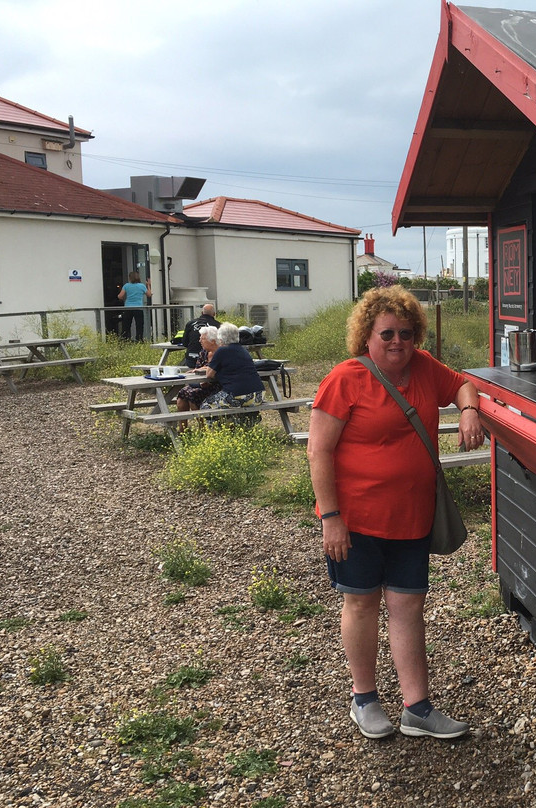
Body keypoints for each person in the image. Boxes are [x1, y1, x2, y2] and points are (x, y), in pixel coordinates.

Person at [307, 286, 482, 740]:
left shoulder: (423, 368)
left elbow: (464, 383)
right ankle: (364, 698)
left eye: (406, 333)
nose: (397, 342)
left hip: (411, 518)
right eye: (387, 333)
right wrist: (331, 518)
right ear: (367, 334)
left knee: (408, 608)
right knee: (362, 604)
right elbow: (318, 452)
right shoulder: (345, 378)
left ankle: (417, 708)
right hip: (356, 523)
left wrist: (467, 411)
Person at [198, 322, 265, 410]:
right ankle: (241, 422)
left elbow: (209, 374)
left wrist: (208, 367)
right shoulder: (243, 350)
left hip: (239, 394)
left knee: (206, 405)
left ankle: (219, 424)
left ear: (221, 338)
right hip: (258, 394)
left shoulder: (221, 350)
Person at [174, 325, 220, 426]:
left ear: (212, 340)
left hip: (216, 385)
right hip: (201, 383)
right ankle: (183, 429)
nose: (199, 341)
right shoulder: (203, 352)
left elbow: (213, 373)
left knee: (193, 394)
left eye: (202, 338)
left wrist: (204, 369)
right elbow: (197, 368)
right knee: (183, 393)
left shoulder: (220, 352)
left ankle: (202, 427)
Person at [182, 303, 221, 368]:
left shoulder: (190, 323)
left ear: (202, 312)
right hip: (206, 360)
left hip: (191, 358)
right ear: (214, 314)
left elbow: (185, 343)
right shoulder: (218, 325)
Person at [118, 271, 151, 341]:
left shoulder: (126, 286)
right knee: (139, 325)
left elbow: (120, 296)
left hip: (128, 307)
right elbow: (149, 295)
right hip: (139, 308)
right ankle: (139, 340)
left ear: (130, 278)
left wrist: (126, 298)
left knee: (126, 325)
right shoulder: (141, 286)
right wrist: (148, 285)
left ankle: (124, 339)